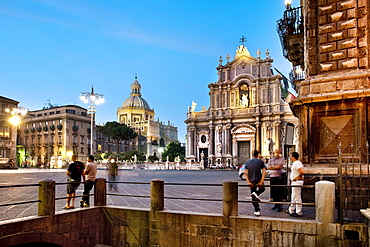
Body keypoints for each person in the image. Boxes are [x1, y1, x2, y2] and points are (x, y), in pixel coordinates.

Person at [244, 150, 267, 216]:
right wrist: (261, 181)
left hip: (251, 181)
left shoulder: (247, 162)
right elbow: (264, 171)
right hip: (258, 180)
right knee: (262, 189)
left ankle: (257, 210)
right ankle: (256, 193)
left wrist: (248, 182)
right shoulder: (260, 161)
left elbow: (245, 173)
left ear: (252, 154)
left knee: (253, 196)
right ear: (258, 154)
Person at [287, 152, 304, 217]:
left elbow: (302, 171)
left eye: (290, 156)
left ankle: (298, 212)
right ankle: (291, 209)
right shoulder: (295, 163)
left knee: (297, 197)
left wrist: (297, 177)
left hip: (297, 181)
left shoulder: (297, 163)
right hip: (295, 181)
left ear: (293, 157)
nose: (290, 158)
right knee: (293, 197)